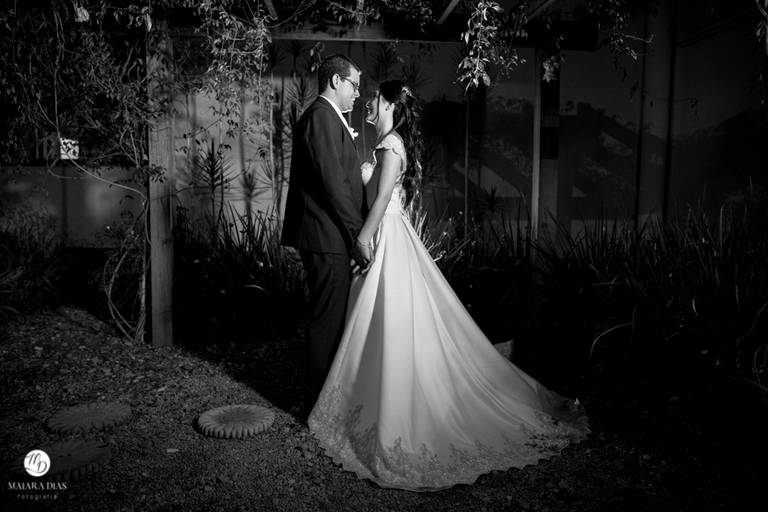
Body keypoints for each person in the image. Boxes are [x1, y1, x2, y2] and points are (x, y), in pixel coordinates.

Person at [307, 80, 590, 491]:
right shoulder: (389, 142)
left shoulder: (390, 146)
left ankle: (396, 406)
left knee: (392, 321)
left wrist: (363, 239)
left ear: (387, 104)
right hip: (390, 236)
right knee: (387, 322)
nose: (367, 102)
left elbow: (383, 198)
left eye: (373, 98)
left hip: (385, 238)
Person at [281, 54, 372, 395]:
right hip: (325, 236)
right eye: (354, 85)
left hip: (329, 236)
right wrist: (357, 236)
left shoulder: (329, 118)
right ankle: (317, 404)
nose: (357, 94)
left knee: (331, 320)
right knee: (326, 322)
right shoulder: (321, 117)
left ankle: (325, 397)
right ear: (336, 81)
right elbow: (334, 182)